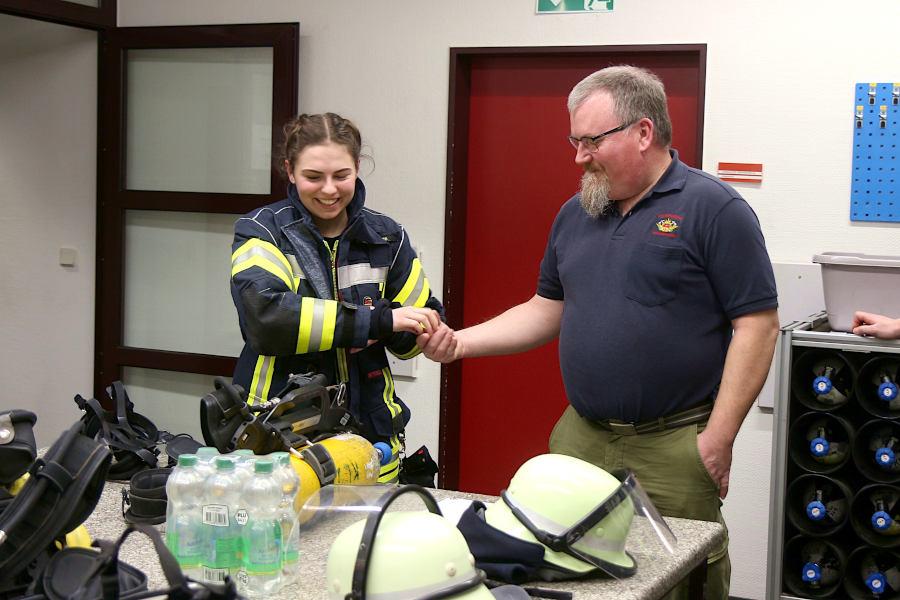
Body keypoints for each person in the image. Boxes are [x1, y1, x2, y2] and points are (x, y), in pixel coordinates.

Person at [418, 66, 780, 599]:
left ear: (643, 132)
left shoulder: (714, 209)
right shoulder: (577, 213)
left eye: (592, 141)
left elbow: (758, 326)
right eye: (574, 140)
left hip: (673, 442)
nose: (579, 156)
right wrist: (461, 343)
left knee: (678, 579)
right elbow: (547, 307)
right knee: (561, 568)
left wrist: (718, 438)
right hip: (581, 436)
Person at [230, 112, 443, 483]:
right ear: (290, 170)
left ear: (357, 168)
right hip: (279, 434)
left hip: (372, 435)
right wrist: (376, 321)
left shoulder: (388, 236)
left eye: (341, 175)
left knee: (364, 541)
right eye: (313, 177)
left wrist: (420, 331)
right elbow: (267, 321)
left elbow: (414, 333)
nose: (329, 190)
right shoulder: (262, 232)